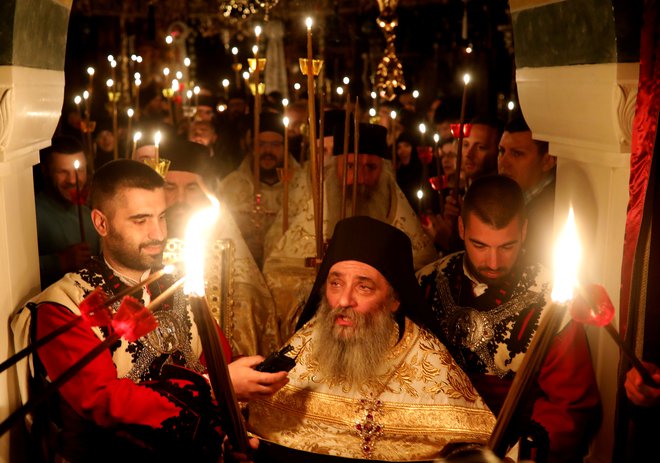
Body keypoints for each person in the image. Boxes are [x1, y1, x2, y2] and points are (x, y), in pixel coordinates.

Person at [12, 160, 288, 462]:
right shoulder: (64, 305)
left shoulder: (177, 286)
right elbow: (104, 401)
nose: (157, 234)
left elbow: (216, 359)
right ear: (101, 223)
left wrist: (228, 438)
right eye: (140, 220)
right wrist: (215, 388)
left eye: (162, 217)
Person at [248, 216, 495, 461]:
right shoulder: (304, 343)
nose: (344, 301)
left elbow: (474, 446)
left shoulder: (429, 361)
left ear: (394, 300)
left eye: (363, 287)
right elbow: (253, 421)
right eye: (335, 283)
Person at [418, 175, 601, 463]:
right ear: (462, 228)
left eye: (506, 247)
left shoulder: (555, 296)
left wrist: (515, 458)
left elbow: (569, 403)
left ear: (524, 230)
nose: (493, 262)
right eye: (480, 245)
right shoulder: (426, 283)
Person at [262, 122, 437, 341]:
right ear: (334, 167)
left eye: (370, 168)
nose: (360, 179)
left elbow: (421, 279)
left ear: (384, 172)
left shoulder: (400, 216)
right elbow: (275, 272)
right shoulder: (312, 215)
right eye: (351, 166)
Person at [160, 138, 281, 356]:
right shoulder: (142, 248)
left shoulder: (229, 251)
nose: (180, 199)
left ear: (208, 193)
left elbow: (250, 318)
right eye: (169, 187)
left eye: (192, 188)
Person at [219, 112, 300, 267]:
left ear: (286, 147)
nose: (267, 151)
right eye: (261, 144)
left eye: (275, 145)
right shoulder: (230, 186)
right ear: (252, 147)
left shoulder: (303, 186)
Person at [35, 136, 100, 288]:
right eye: (63, 172)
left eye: (79, 171)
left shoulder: (88, 212)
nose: (72, 180)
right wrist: (60, 261)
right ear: (46, 171)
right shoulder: (33, 214)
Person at [497, 115, 556, 266]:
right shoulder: (503, 196)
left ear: (547, 160)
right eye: (502, 151)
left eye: (517, 154)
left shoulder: (551, 213)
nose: (503, 163)